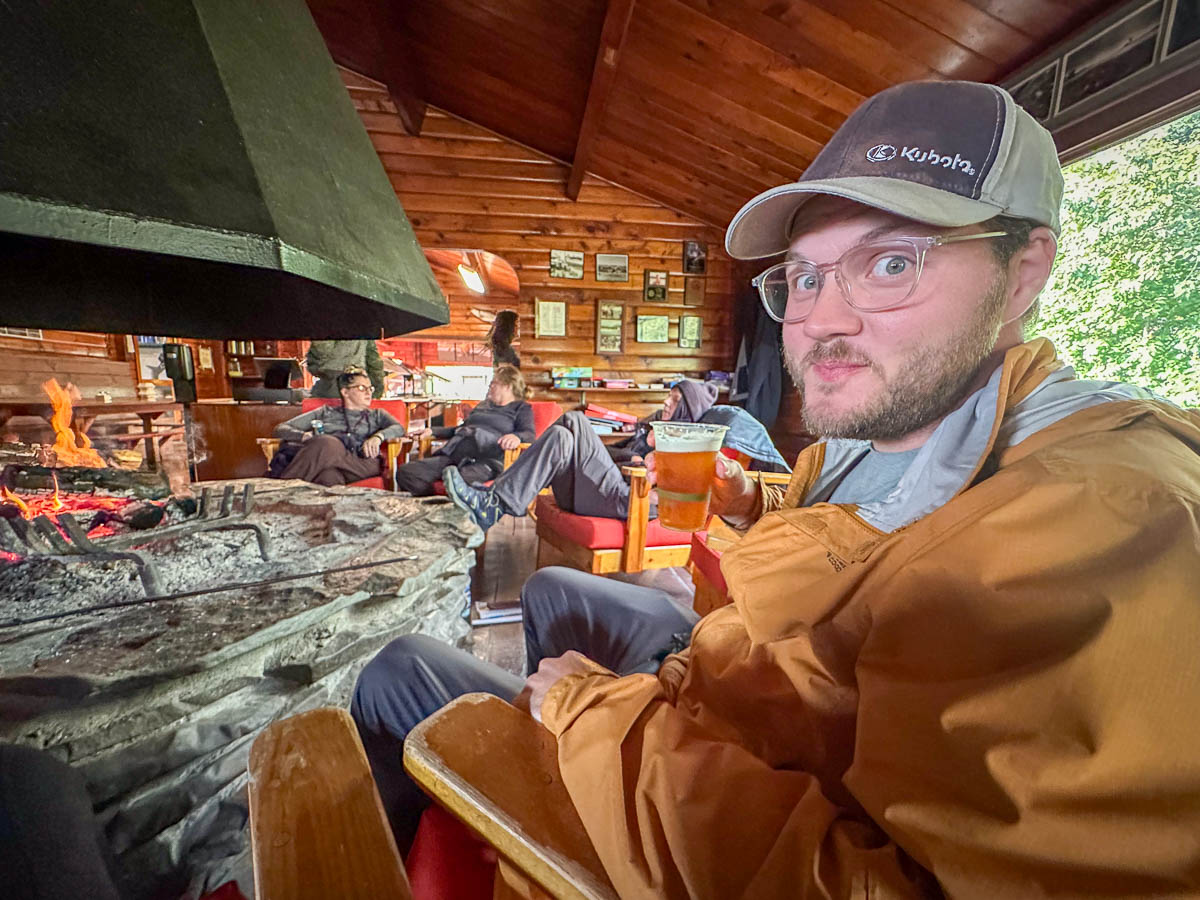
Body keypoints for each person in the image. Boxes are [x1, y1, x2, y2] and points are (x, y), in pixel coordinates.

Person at [353, 79, 1200, 896]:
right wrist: (754, 510)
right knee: (552, 593)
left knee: (395, 672)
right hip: (716, 696)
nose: (822, 318)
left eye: (892, 263)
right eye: (804, 276)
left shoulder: (1109, 526)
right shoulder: (877, 435)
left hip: (698, 782)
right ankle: (530, 791)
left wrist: (587, 713)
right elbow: (854, 568)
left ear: (1023, 274)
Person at [442, 378, 787, 532]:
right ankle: (494, 505)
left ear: (689, 409)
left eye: (674, 401)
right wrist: (630, 458)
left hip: (631, 501)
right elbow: (616, 456)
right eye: (667, 398)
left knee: (574, 420)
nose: (666, 405)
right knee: (563, 436)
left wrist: (639, 463)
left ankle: (495, 502)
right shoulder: (655, 432)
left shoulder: (690, 443)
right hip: (605, 491)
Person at [391, 364, 533, 496]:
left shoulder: (520, 408)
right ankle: (438, 502)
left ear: (507, 386)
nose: (490, 386)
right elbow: (460, 429)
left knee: (459, 480)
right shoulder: (483, 406)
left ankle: (452, 500)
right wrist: (432, 431)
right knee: (406, 472)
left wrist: (516, 437)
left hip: (487, 461)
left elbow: (529, 434)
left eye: (494, 383)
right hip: (455, 456)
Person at [271, 368, 405, 486]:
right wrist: (302, 436)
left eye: (370, 388)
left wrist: (378, 437)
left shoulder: (377, 415)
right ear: (345, 392)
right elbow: (281, 429)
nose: (368, 392)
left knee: (327, 443)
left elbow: (399, 428)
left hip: (361, 463)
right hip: (328, 462)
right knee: (328, 477)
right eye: (361, 388)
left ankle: (281, 489)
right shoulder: (325, 412)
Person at [305, 339, 386, 398]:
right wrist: (377, 388)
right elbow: (374, 361)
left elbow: (320, 353)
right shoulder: (364, 324)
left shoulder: (326, 320)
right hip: (358, 384)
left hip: (330, 385)